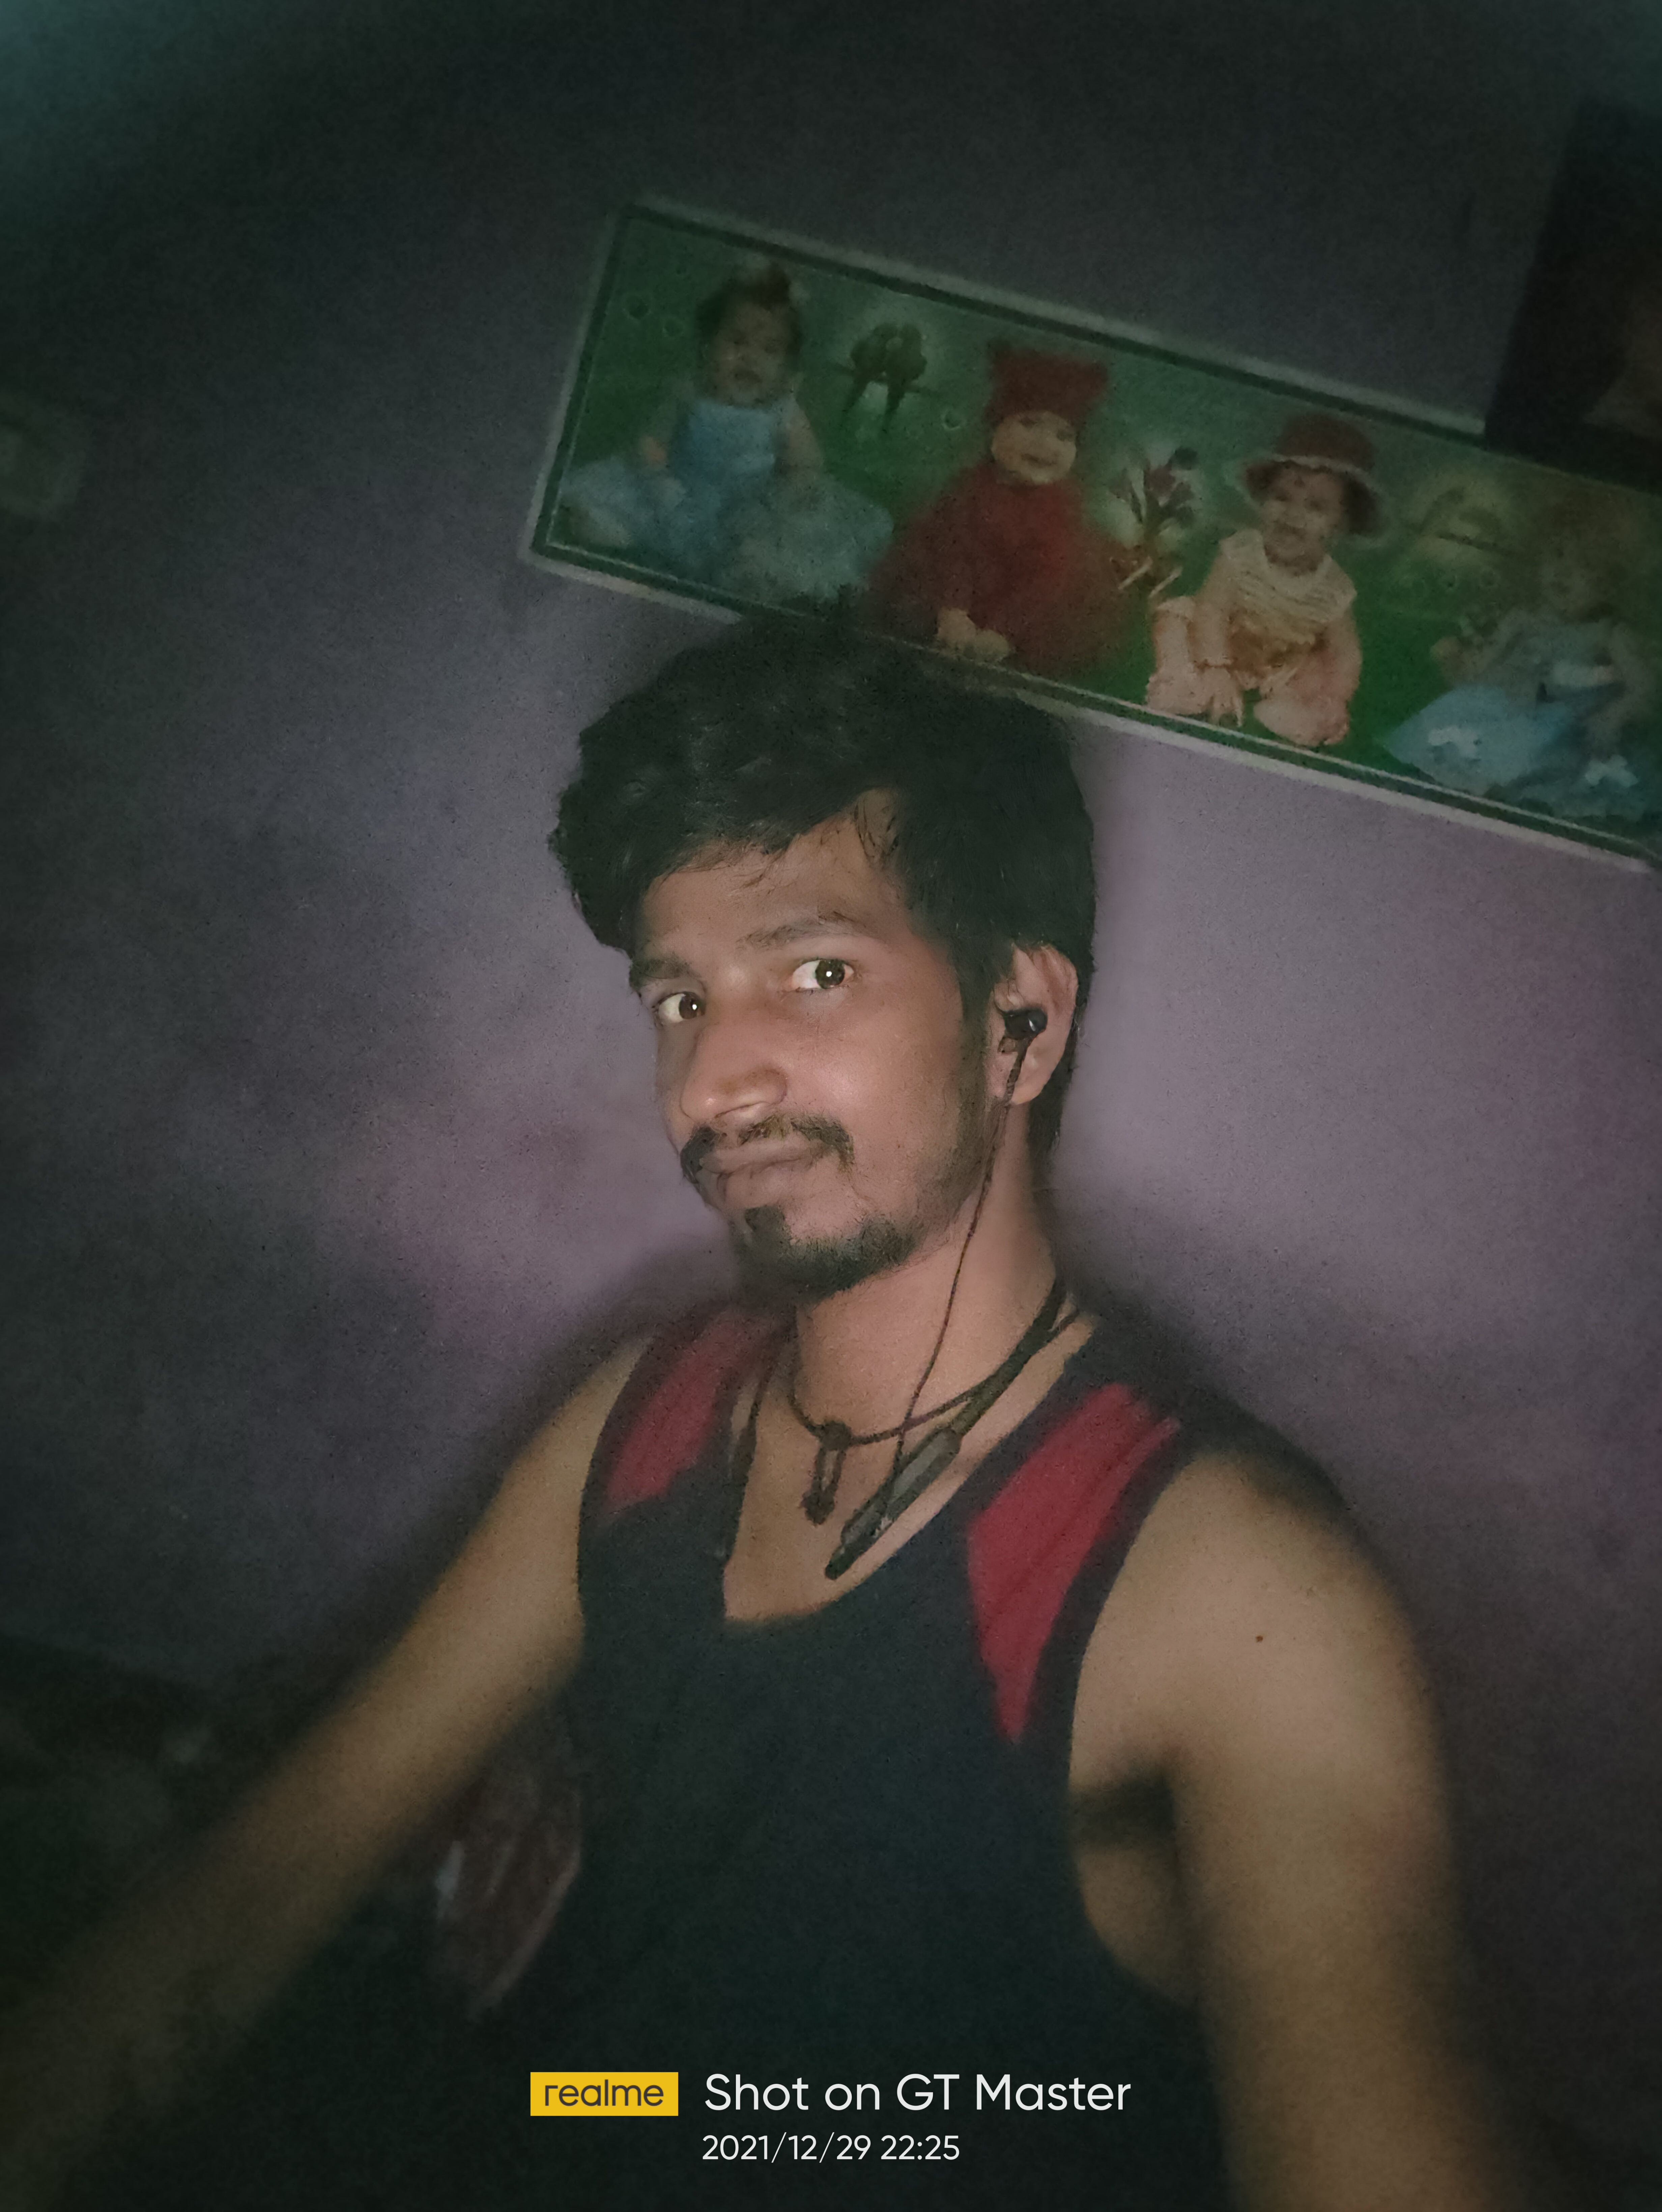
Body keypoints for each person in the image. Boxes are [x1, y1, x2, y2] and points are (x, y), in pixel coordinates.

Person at [0, 620, 1550, 2211]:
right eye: (679, 996)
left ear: (1018, 1021)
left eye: (815, 973)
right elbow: (273, 1873)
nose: (711, 1082)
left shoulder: (1233, 1582)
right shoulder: (647, 1417)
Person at [560, 260, 890, 604]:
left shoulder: (783, 410)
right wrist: (660, 479)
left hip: (753, 507)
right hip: (683, 492)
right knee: (608, 512)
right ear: (708, 346)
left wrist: (788, 495)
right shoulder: (689, 394)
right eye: (737, 341)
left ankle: (754, 570)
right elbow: (652, 442)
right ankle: (626, 533)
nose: (751, 358)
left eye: (770, 350)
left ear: (787, 365)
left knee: (772, 553)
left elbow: (807, 463)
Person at [866, 342, 1137, 678]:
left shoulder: (1061, 510)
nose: (1045, 444)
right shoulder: (968, 490)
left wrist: (1004, 631)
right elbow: (951, 551)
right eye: (1029, 424)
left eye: (1063, 436)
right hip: (950, 599)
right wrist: (953, 610)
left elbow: (1045, 581)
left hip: (1025, 616)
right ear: (996, 428)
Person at [1383, 497, 1659, 823]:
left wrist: (1614, 716)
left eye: (1584, 566)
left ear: (1609, 583)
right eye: (1557, 555)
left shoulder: (1609, 633)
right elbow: (1479, 668)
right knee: (1466, 725)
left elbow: (1644, 686)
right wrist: (1455, 659)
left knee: (1548, 759)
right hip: (1507, 707)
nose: (1563, 572)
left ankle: (1519, 798)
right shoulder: (1523, 620)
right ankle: (1455, 790)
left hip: (1568, 724)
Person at [1145, 411, 1379, 748]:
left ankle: (1296, 712)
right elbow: (1212, 609)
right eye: (1282, 497)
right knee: (1175, 620)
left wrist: (1335, 697)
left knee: (1317, 667)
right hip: (1226, 639)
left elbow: (1346, 654)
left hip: (1281, 665)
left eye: (1315, 507)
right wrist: (1216, 665)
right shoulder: (1240, 553)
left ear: (1339, 526)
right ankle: (1181, 681)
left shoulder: (1335, 589)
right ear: (1263, 500)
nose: (1293, 514)